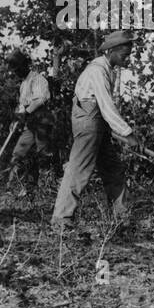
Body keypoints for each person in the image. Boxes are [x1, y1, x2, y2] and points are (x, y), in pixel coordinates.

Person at [50, 31, 141, 232]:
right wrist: (128, 134)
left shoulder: (108, 69)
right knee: (79, 168)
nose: (127, 58)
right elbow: (106, 106)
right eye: (124, 54)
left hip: (97, 120)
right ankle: (61, 220)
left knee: (112, 168)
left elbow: (105, 110)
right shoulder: (97, 70)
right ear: (111, 51)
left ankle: (122, 218)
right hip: (89, 119)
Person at [5, 51, 53, 195]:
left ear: (25, 66)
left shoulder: (38, 79)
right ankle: (11, 188)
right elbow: (22, 105)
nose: (16, 72)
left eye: (18, 69)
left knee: (43, 154)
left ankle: (46, 189)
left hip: (42, 122)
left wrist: (26, 112)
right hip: (30, 125)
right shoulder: (23, 84)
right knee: (18, 153)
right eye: (14, 70)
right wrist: (16, 119)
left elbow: (41, 99)